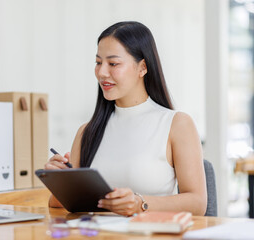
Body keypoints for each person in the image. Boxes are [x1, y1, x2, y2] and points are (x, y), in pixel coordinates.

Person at [45, 21, 207, 216]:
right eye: (98, 62)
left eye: (113, 64)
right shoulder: (87, 132)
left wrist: (141, 204)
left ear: (143, 67)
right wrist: (61, 180)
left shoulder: (177, 124)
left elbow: (197, 203)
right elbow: (60, 205)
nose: (102, 72)